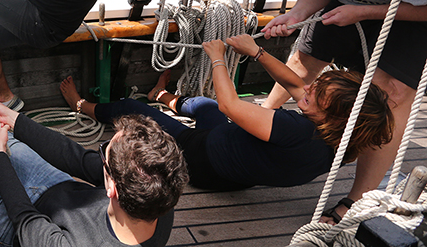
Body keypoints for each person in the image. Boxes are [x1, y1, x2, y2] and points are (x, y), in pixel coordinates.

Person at [260, 0, 427, 222]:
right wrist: (296, 15)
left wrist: (364, 12)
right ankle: (261, 119)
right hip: (346, 1)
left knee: (389, 96)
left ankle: (358, 198)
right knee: (305, 58)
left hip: (414, 10)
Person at [61, 34, 393, 192]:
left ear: (333, 115)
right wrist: (257, 52)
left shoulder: (295, 129)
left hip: (200, 159)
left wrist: (217, 57)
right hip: (235, 171)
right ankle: (162, 95)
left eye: (316, 95)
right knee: (202, 106)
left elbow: (230, 106)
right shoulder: (341, 143)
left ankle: (81, 105)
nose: (307, 89)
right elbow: (293, 81)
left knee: (132, 109)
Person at [0, 80, 188, 246]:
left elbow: (24, 218)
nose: (99, 157)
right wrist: (17, 120)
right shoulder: (160, 195)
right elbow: (75, 159)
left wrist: (0, 155)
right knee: (9, 136)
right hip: (58, 188)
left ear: (112, 187)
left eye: (103, 153)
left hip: (21, 228)